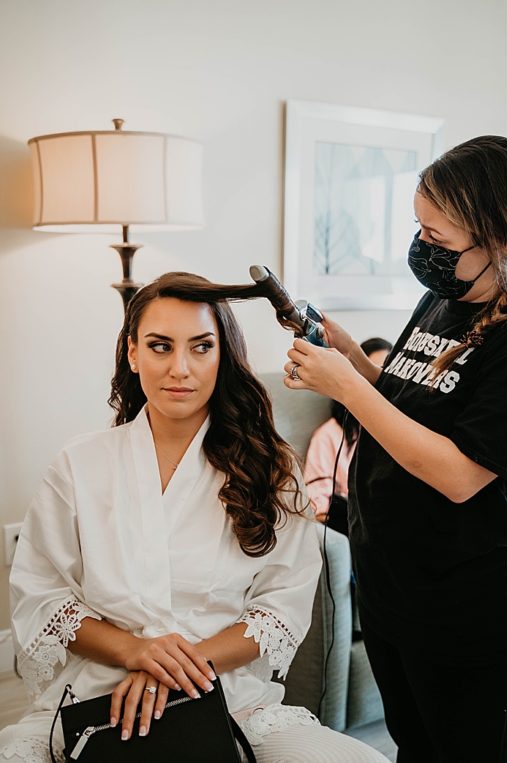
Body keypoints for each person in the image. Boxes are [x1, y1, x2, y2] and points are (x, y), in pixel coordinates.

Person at [0, 273, 386, 762]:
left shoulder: (272, 469)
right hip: (98, 703)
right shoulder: (77, 466)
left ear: (222, 355)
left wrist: (175, 669)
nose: (180, 368)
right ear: (132, 352)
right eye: (160, 346)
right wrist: (135, 652)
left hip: (231, 703)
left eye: (201, 347)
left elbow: (280, 607)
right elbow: (43, 596)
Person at [280, 136, 507, 761]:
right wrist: (352, 356)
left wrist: (346, 388)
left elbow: (461, 474)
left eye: (437, 237)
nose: (421, 247)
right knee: (412, 744)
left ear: (495, 240)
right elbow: (406, 400)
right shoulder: (443, 298)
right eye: (418, 228)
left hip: (455, 604)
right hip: (389, 583)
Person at [303, 336, 393, 531]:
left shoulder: (402, 431)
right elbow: (317, 499)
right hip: (354, 524)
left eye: (387, 374)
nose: (382, 383)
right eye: (373, 373)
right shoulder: (329, 435)